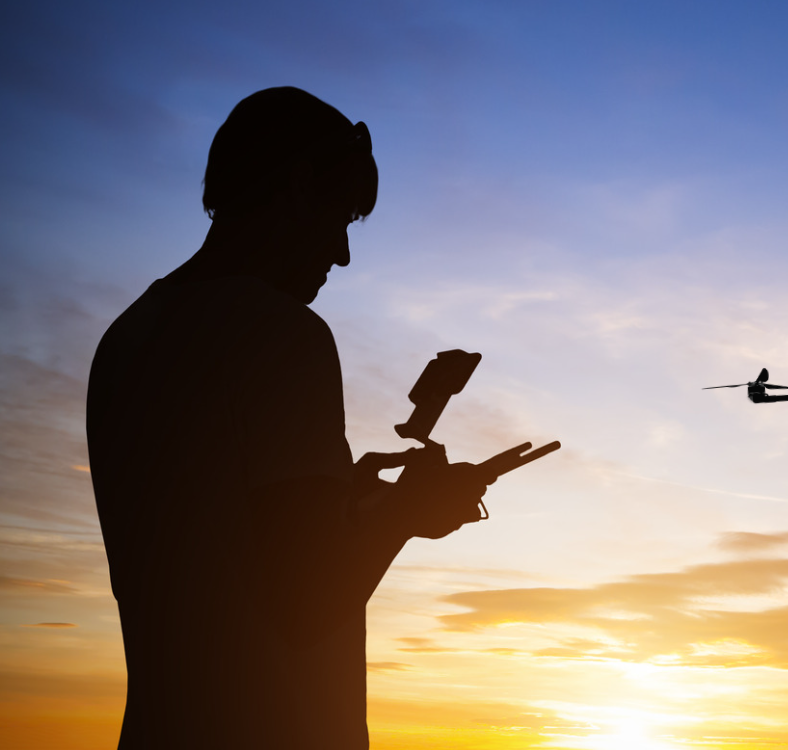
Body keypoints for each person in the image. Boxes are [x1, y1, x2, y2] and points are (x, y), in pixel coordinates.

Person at [87, 87, 488, 749]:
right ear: (299, 187)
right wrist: (406, 512)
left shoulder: (129, 336)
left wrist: (349, 496)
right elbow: (306, 602)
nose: (342, 254)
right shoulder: (282, 333)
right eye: (340, 219)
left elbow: (214, 531)